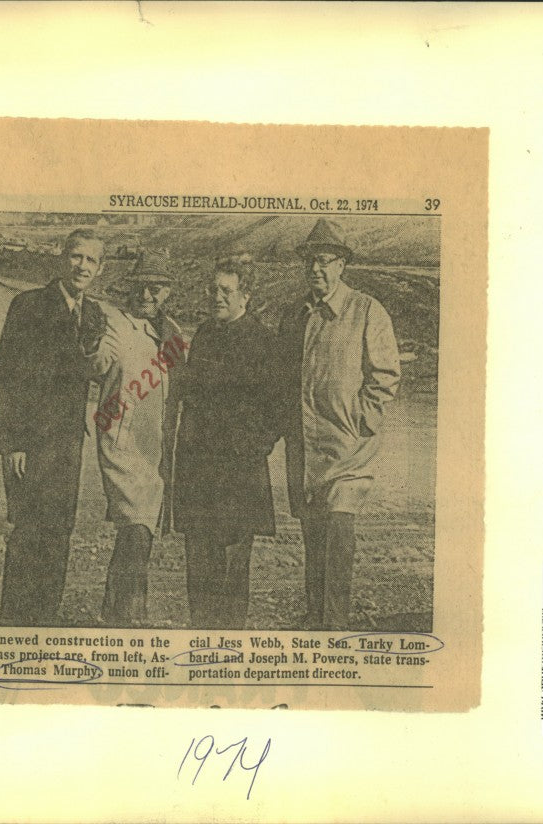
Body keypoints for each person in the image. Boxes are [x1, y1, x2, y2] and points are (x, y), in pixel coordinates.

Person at [277, 219, 401, 630]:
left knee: (337, 531)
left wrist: (360, 422)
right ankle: (316, 617)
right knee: (314, 534)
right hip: (307, 447)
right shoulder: (296, 315)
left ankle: (334, 622)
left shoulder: (366, 310)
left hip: (347, 449)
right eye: (310, 261)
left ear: (342, 265)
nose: (317, 269)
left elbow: (384, 376)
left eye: (325, 261)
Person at [0, 228, 107, 625]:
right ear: (63, 259)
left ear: (100, 269)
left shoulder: (94, 315)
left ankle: (45, 618)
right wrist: (13, 443)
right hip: (31, 442)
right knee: (28, 529)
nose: (83, 266)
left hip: (68, 443)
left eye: (91, 260)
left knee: (60, 530)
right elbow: (7, 375)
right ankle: (14, 622)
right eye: (77, 257)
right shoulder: (27, 306)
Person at [173, 254, 279, 629]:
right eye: (213, 289)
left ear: (245, 296)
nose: (217, 297)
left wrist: (251, 449)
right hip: (199, 474)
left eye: (226, 290)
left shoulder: (263, 340)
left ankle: (229, 650)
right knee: (199, 567)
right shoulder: (203, 334)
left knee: (232, 571)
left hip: (238, 478)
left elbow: (278, 407)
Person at [88, 250, 185, 626]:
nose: (147, 295)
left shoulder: (171, 333)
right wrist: (91, 348)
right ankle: (127, 616)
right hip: (121, 439)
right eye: (140, 286)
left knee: (139, 529)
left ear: (168, 292)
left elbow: (182, 383)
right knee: (137, 525)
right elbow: (96, 364)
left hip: (157, 444)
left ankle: (119, 612)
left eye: (157, 288)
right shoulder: (113, 322)